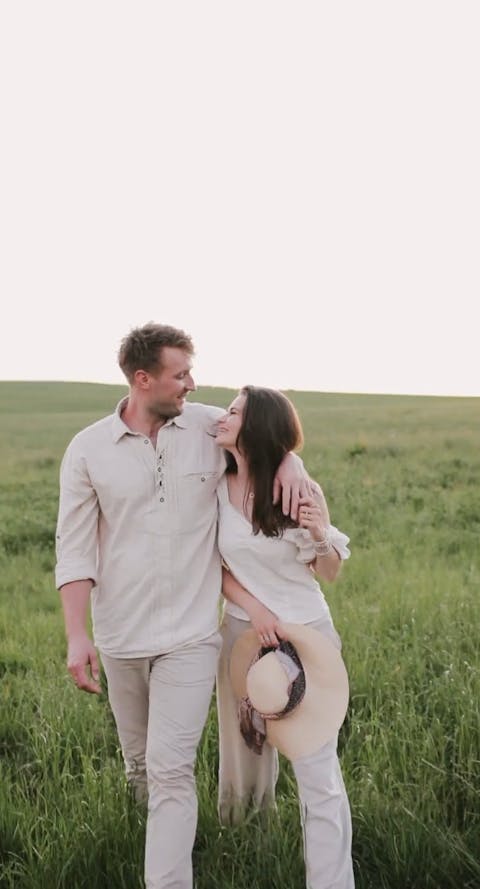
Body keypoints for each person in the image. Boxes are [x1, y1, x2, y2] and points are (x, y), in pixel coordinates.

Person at [55, 323, 311, 889]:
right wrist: (78, 635)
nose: (192, 385)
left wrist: (288, 460)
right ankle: (154, 833)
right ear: (143, 380)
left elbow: (266, 433)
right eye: (180, 375)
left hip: (192, 637)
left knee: (172, 769)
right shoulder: (88, 449)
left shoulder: (205, 426)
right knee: (142, 767)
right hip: (120, 635)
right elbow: (73, 551)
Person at [214, 385, 355, 889]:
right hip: (246, 638)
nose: (222, 415)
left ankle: (332, 881)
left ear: (255, 429)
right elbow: (215, 566)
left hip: (307, 638)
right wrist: (255, 609)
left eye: (234, 411)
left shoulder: (296, 488)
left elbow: (330, 571)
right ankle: (242, 853)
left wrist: (320, 533)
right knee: (247, 751)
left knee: (318, 771)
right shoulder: (215, 482)